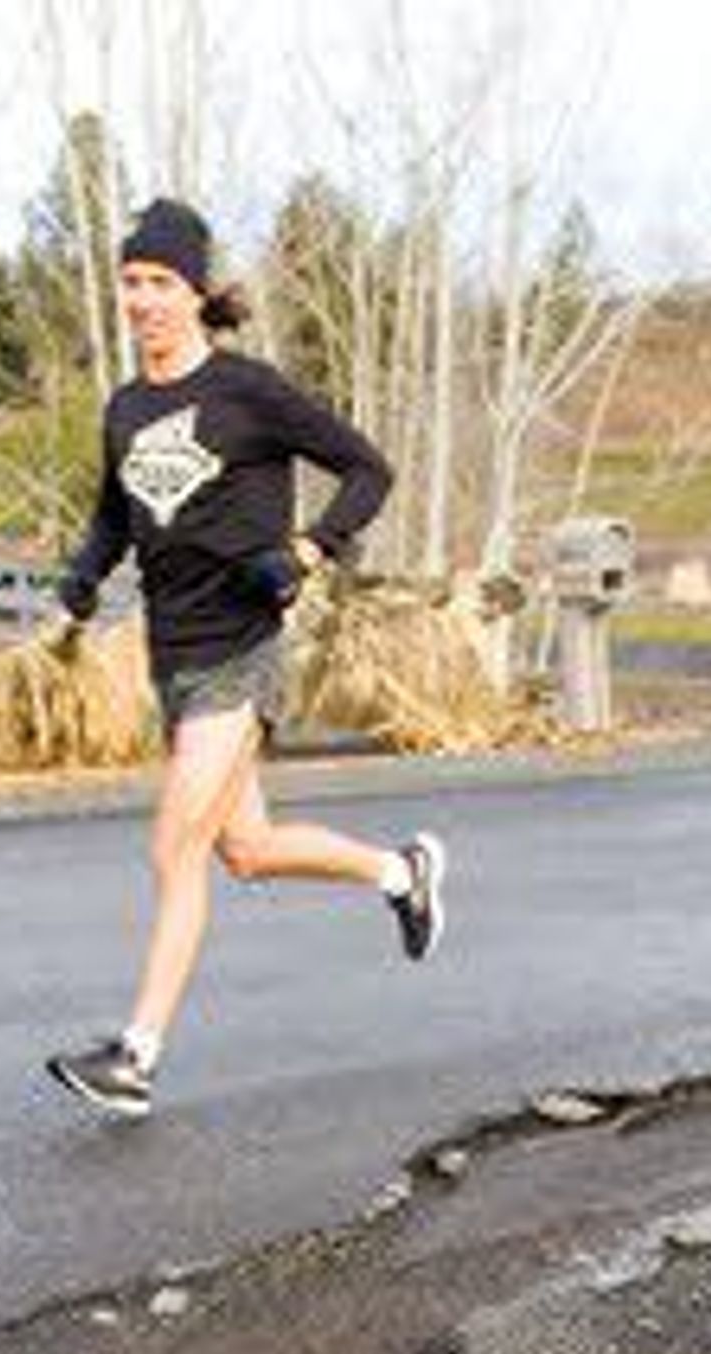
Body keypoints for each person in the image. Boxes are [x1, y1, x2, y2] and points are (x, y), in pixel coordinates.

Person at [42, 197, 445, 1121]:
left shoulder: (247, 392)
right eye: (132, 283)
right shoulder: (126, 406)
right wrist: (85, 570)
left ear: (194, 292)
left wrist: (308, 551)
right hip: (171, 656)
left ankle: (135, 1056)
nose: (142, 300)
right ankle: (402, 874)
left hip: (242, 648)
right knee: (247, 850)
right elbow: (117, 509)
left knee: (172, 845)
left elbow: (368, 469)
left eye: (160, 284)